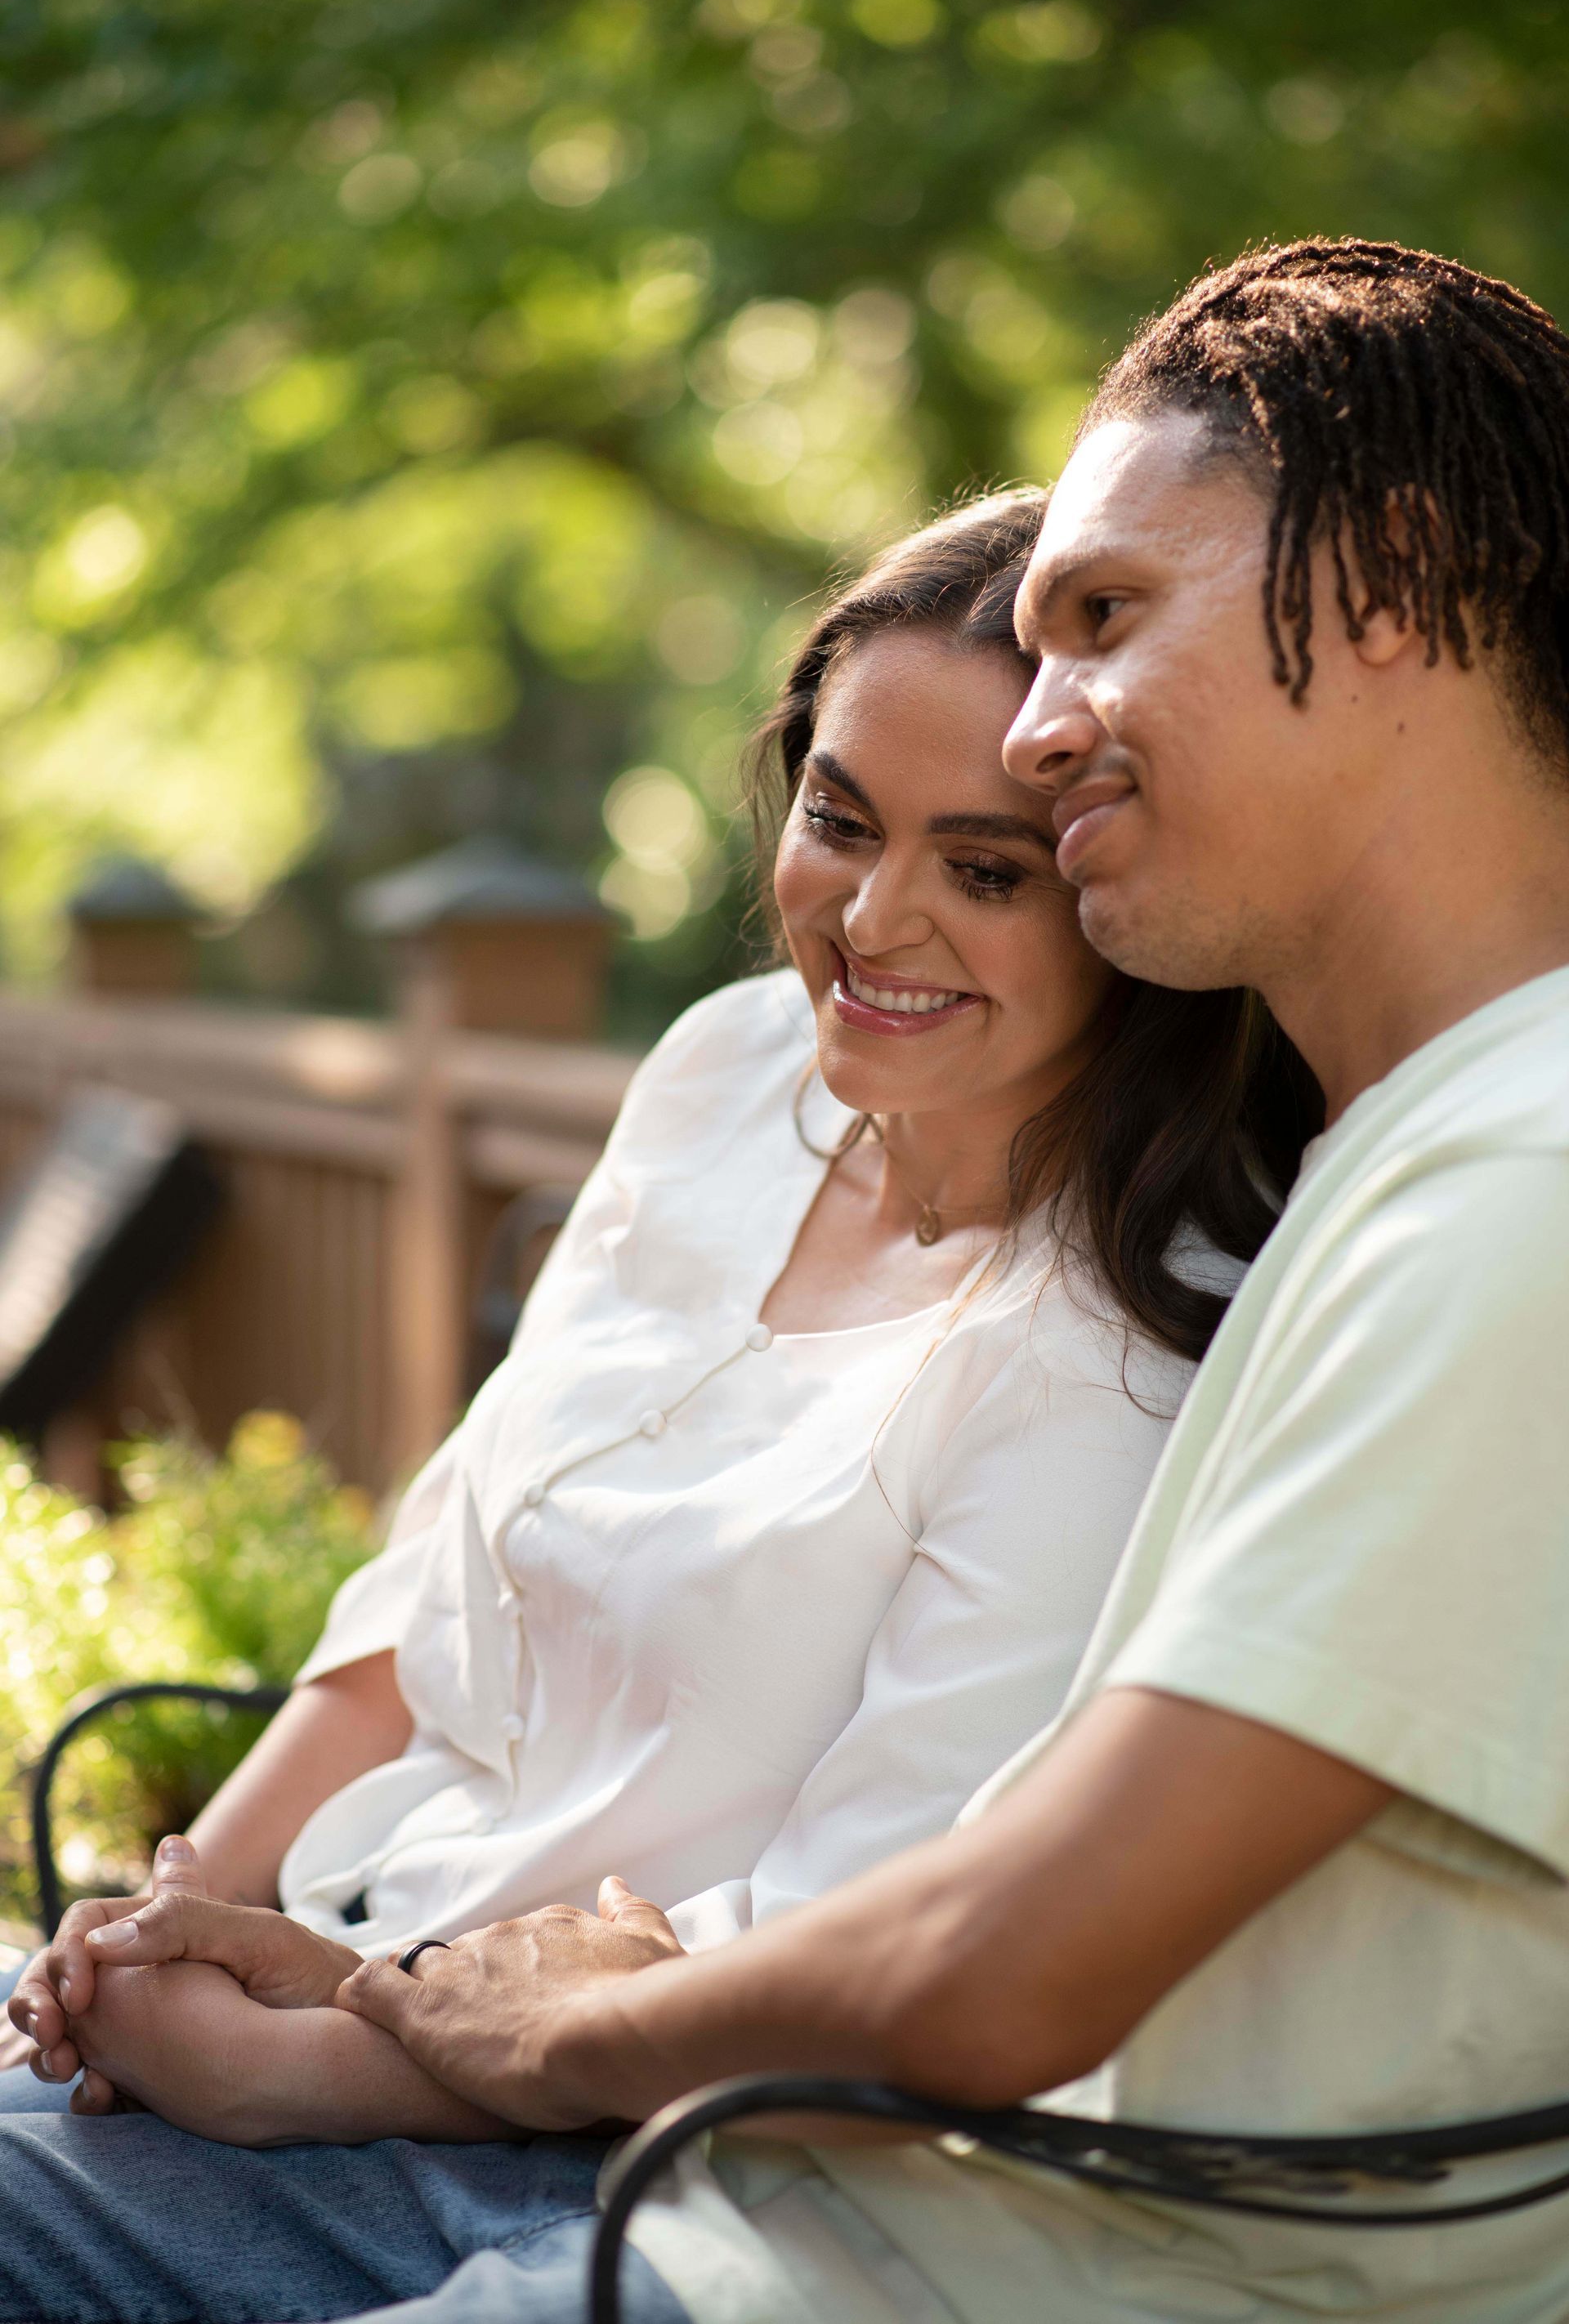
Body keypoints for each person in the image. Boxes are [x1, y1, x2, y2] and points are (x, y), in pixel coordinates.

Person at [132, 233, 1569, 2324]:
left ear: (1391, 582)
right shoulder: (1411, 1151)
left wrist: (510, 2025)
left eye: (1101, 621)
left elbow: (989, 1965)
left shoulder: (1512, 1186)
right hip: (822, 2204)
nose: (1050, 723)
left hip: (891, 2244)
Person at [0, 494, 1308, 2322]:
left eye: (988, 869)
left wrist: (292, 2062)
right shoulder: (726, 1068)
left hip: (595, 2148)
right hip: (324, 1957)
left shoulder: (1117, 1355)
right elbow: (428, 1585)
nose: (874, 915)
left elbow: (847, 1953)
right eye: (840, 820)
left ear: (1112, 897)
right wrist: (175, 1915)